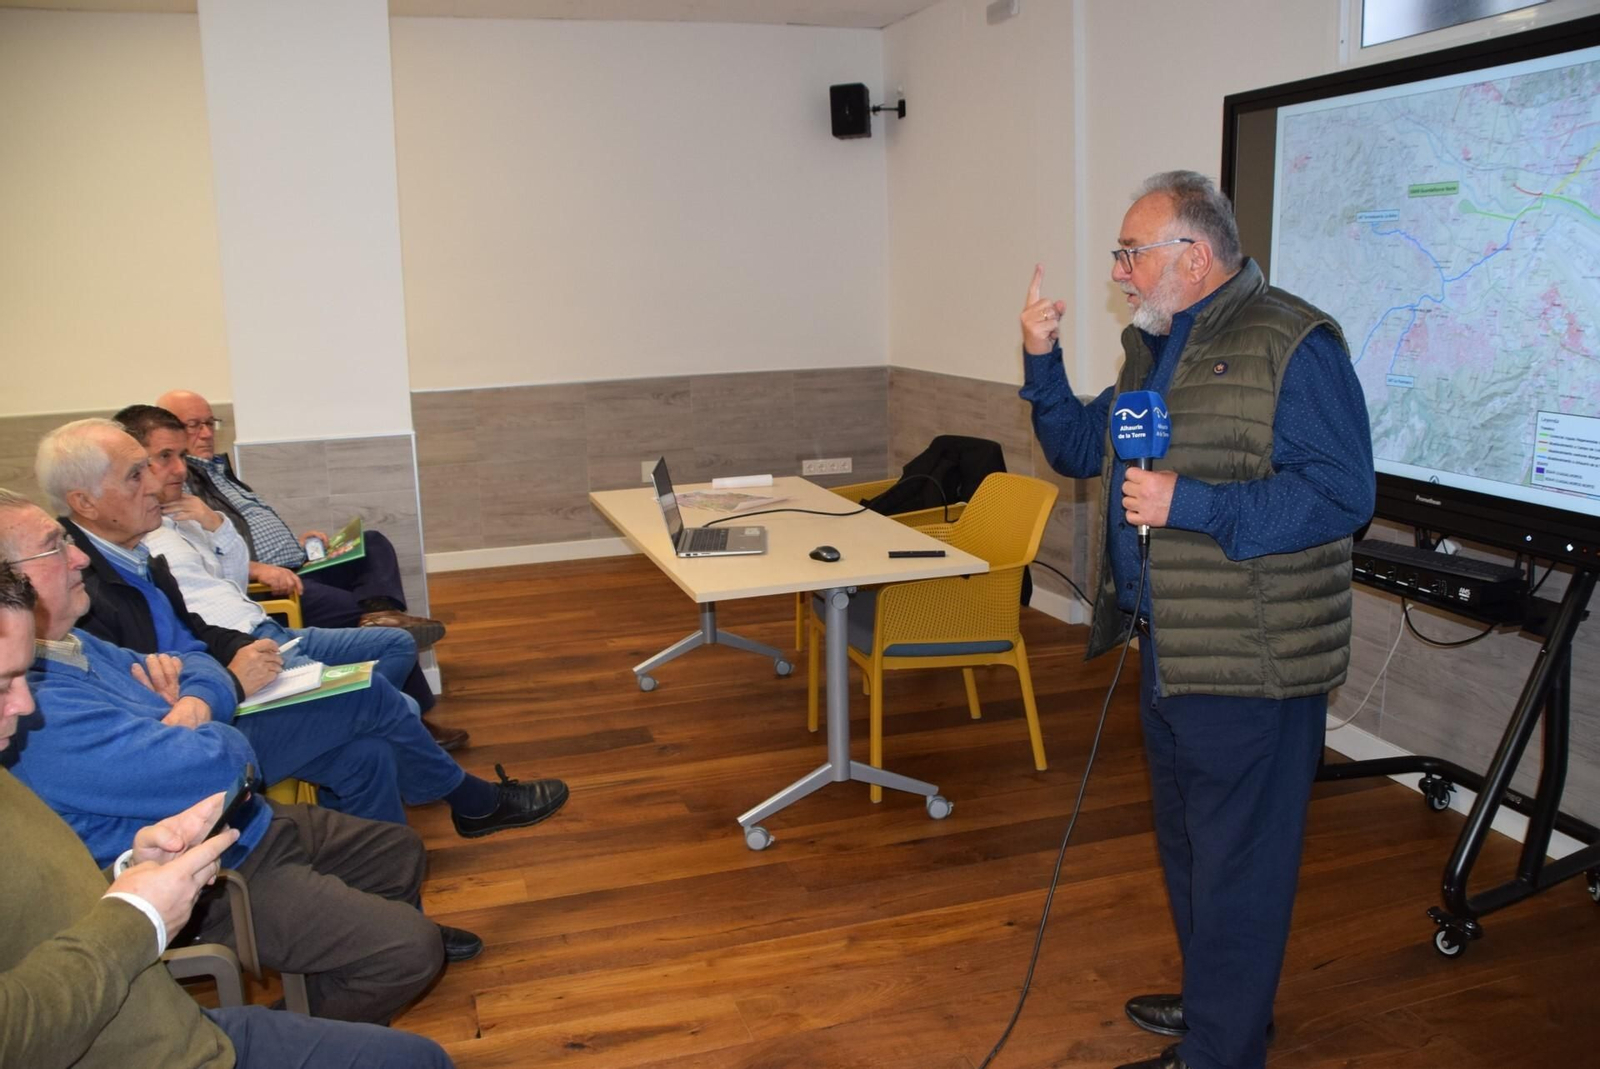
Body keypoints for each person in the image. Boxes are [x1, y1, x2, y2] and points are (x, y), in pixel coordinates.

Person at [1018, 171, 1374, 1069]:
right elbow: (1074, 445)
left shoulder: (1294, 342)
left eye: (1131, 253)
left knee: (1240, 864)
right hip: (1169, 647)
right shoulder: (1154, 348)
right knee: (1188, 848)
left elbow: (1342, 494)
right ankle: (1222, 1007)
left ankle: (1223, 1052)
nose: (1121, 272)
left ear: (1194, 253)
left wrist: (1197, 505)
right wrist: (1039, 359)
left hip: (1251, 663)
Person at [0, 562, 454, 1065]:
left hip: (227, 834)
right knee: (409, 951)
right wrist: (195, 719)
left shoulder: (75, 648)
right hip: (216, 878)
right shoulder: (46, 712)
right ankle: (346, 992)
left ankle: (343, 979)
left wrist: (191, 708)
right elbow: (220, 765)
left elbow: (197, 660)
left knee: (397, 848)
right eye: (53, 546)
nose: (76, 554)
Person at [7, 440, 566, 839]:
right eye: (136, 474)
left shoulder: (135, 554)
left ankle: (394, 903)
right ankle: (473, 802)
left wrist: (232, 664)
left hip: (221, 698)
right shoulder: (71, 593)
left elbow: (188, 646)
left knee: (366, 753)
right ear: (84, 502)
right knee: (373, 695)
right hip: (201, 740)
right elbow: (148, 706)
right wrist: (221, 681)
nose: (155, 483)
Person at [111, 404, 464, 751]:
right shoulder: (146, 524)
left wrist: (218, 524)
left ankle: (377, 650)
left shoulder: (197, 492)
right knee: (384, 679)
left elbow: (227, 576)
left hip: (277, 593)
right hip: (260, 608)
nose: (181, 466)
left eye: (207, 424)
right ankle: (381, 715)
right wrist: (253, 561)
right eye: (191, 427)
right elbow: (219, 593)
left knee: (376, 561)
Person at [155, 389, 445, 647]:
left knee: (371, 542)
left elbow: (248, 526)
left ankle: (381, 613)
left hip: (299, 564)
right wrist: (258, 569)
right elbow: (207, 554)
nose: (206, 433)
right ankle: (383, 628)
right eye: (193, 425)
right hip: (270, 583)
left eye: (209, 423)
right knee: (361, 613)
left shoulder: (219, 471)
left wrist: (296, 543)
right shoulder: (178, 482)